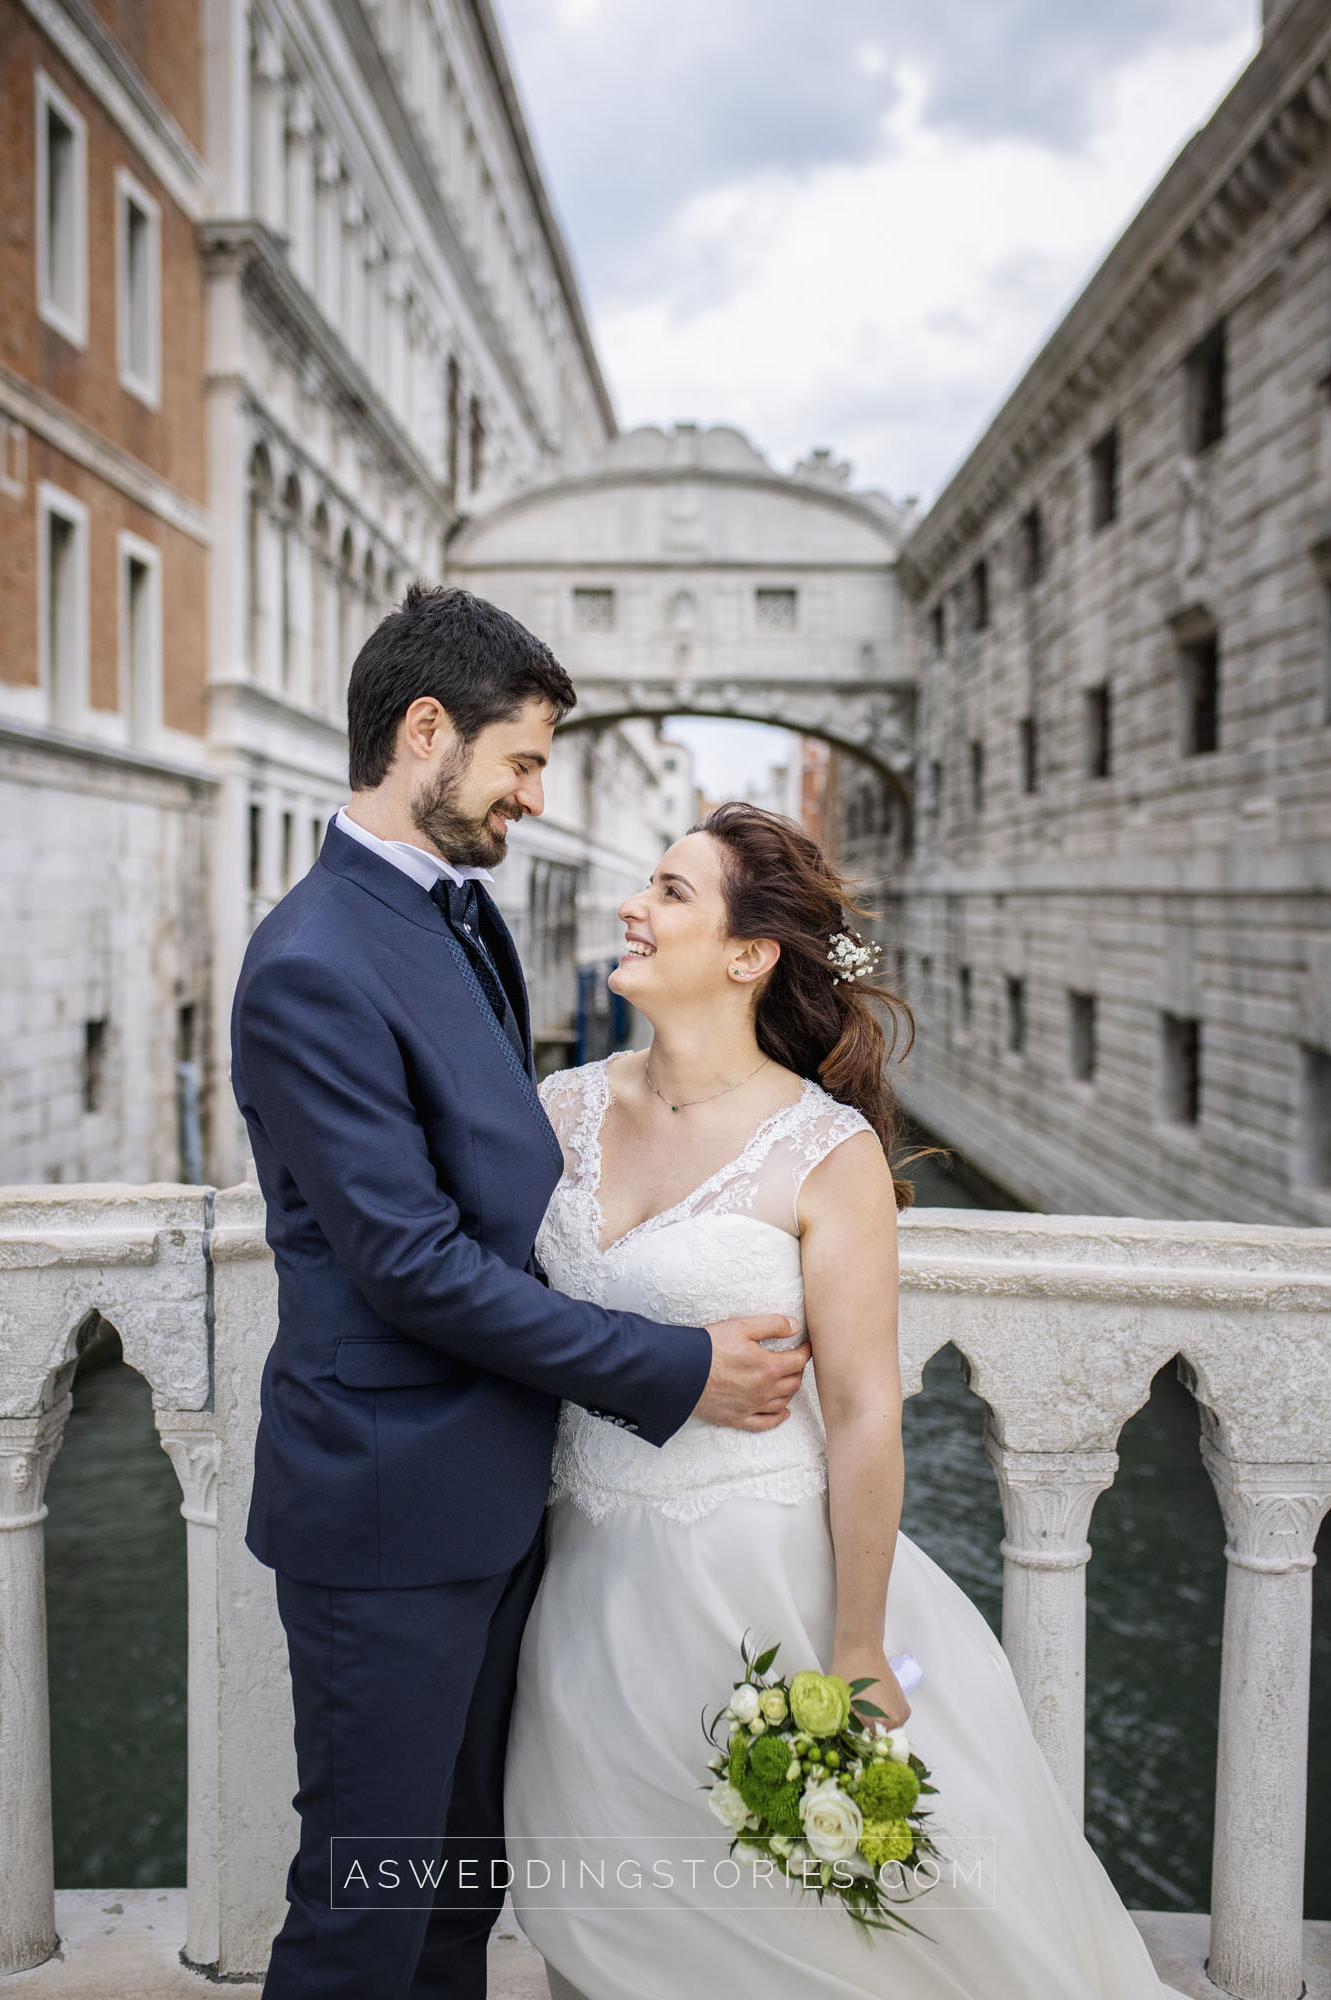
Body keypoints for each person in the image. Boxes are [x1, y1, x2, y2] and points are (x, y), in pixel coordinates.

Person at [504, 801, 1189, 2000]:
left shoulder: (825, 1152)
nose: (631, 904)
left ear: (746, 953)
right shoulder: (557, 1109)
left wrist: (859, 1646)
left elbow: (870, 1408)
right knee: (599, 1905)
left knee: (817, 1929)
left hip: (756, 1579)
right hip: (577, 1576)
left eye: (668, 890)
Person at [229, 587, 808, 2000]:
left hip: (497, 1503)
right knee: (363, 1908)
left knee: (453, 1902)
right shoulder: (310, 963)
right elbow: (412, 1264)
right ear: (424, 733)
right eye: (522, 762)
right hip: (387, 1521)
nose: (536, 797)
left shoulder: (453, 917)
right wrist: (670, 1367)